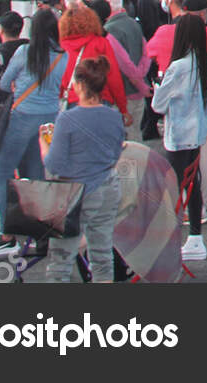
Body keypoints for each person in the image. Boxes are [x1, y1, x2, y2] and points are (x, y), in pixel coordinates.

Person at [0, 9, 69, 259]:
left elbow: (5, 84)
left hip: (22, 117)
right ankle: (40, 235)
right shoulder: (63, 55)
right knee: (35, 174)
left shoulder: (23, 52)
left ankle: (7, 236)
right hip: (49, 119)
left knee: (3, 173)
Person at [41, 55, 126, 282]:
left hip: (74, 194)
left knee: (61, 259)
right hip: (108, 187)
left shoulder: (67, 119)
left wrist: (43, 144)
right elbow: (116, 153)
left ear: (79, 85)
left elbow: (55, 164)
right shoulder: (114, 116)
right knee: (102, 252)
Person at [150, 13, 207, 262]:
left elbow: (158, 104)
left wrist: (158, 85)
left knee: (174, 187)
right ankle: (195, 238)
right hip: (196, 133)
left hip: (178, 134)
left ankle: (171, 240)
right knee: (192, 184)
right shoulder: (201, 62)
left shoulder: (177, 67)